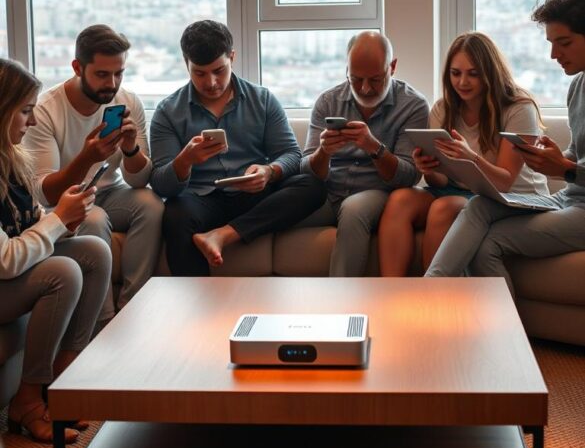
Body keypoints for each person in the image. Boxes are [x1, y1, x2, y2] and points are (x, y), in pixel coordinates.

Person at [425, 0, 585, 288]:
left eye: (564, 43)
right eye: (551, 44)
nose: (553, 55)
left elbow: (571, 169)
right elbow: (577, 156)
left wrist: (565, 169)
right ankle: (431, 289)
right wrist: (554, 159)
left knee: (488, 243)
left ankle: (430, 295)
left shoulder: (518, 105)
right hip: (567, 198)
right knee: (478, 207)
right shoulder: (578, 86)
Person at [149, 20, 326, 274]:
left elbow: (291, 155)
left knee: (312, 186)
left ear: (232, 57)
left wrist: (268, 172)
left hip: (253, 196)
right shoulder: (168, 112)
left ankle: (223, 235)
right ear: (186, 64)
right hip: (201, 200)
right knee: (176, 215)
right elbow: (161, 184)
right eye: (200, 73)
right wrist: (184, 161)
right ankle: (194, 296)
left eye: (219, 71)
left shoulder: (262, 99)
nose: (211, 82)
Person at [0, 59, 111, 444]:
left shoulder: (11, 157)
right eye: (25, 111)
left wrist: (64, 220)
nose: (31, 122)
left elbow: (29, 222)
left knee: (95, 250)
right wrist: (58, 220)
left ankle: (65, 379)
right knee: (62, 273)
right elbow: (6, 261)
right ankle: (28, 400)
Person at [23, 25, 163, 323]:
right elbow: (44, 193)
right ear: (77, 67)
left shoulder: (128, 101)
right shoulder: (46, 111)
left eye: (119, 73)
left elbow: (139, 180)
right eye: (102, 74)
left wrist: (130, 150)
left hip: (109, 191)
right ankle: (103, 321)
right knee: (93, 217)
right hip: (63, 201)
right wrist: (87, 158)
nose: (111, 84)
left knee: (151, 204)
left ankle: (134, 305)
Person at [377, 32, 548, 276]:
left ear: (490, 73)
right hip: (459, 190)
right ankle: (390, 290)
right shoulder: (443, 109)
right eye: (455, 73)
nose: (462, 82)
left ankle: (435, 295)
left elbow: (504, 182)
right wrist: (429, 169)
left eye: (473, 74)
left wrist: (471, 157)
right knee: (400, 200)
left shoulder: (518, 108)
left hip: (512, 196)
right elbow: (441, 182)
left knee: (444, 208)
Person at [299, 31, 429, 276]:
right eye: (356, 79)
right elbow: (306, 170)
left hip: (376, 192)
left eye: (375, 80)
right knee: (282, 208)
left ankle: (342, 296)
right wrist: (324, 152)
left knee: (353, 209)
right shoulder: (328, 101)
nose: (365, 88)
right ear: (346, 70)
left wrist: (374, 148)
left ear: (392, 67)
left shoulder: (413, 105)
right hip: (329, 190)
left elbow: (409, 176)